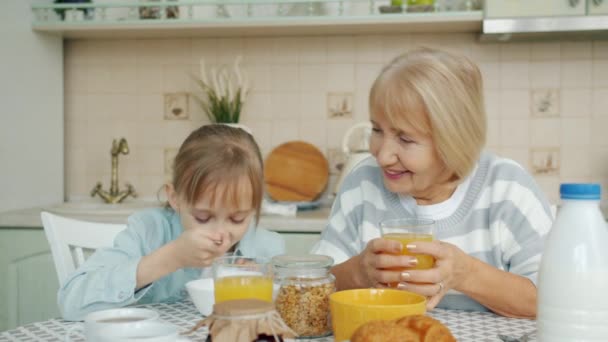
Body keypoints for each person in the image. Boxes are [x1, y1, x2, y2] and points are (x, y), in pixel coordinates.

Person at [312, 48, 552, 319]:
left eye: (405, 139)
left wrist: (466, 273)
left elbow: (553, 301)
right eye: (377, 130)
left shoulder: (507, 189)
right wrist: (358, 272)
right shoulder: (362, 184)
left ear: (454, 142)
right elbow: (312, 287)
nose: (382, 154)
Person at [59, 125, 285, 321]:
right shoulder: (148, 231)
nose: (220, 234)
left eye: (237, 219)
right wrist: (169, 258)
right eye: (203, 218)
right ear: (175, 198)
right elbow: (70, 302)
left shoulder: (267, 247)